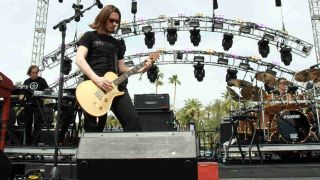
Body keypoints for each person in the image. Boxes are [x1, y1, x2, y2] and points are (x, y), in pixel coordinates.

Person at [75, 5, 153, 132]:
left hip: (116, 87)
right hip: (94, 87)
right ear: (103, 18)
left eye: (117, 21)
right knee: (94, 130)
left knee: (134, 123)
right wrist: (98, 80)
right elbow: (79, 59)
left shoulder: (118, 44)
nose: (115, 24)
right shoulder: (89, 36)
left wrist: (142, 68)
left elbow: (122, 68)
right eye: (111, 20)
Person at [23, 65, 49, 145]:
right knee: (28, 123)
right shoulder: (26, 82)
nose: (35, 74)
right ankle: (28, 141)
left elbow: (47, 92)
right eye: (33, 73)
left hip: (38, 105)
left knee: (37, 124)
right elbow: (22, 94)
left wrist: (42, 97)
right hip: (28, 105)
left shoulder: (42, 80)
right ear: (29, 73)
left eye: (36, 73)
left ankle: (35, 141)